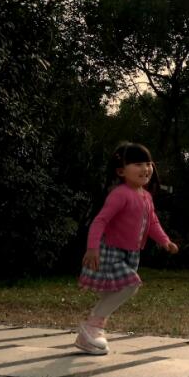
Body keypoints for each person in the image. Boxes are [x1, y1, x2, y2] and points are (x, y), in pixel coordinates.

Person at [75, 142, 179, 355]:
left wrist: (165, 241)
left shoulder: (146, 196)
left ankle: (89, 334)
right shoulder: (120, 194)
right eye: (138, 164)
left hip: (130, 254)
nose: (146, 168)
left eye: (148, 163)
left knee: (115, 291)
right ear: (121, 171)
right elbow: (100, 221)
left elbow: (152, 222)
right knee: (131, 284)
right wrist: (92, 248)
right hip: (110, 252)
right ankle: (92, 327)